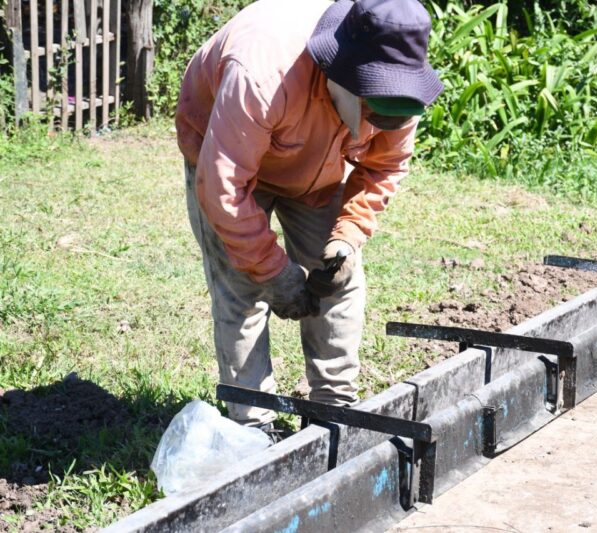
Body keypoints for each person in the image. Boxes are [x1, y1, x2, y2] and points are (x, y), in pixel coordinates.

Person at [175, 0, 443, 432]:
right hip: (227, 149)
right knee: (244, 287)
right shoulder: (261, 74)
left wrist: (347, 234)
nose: (382, 121)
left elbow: (384, 167)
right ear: (341, 74)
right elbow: (224, 189)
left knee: (340, 275)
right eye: (373, 110)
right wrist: (274, 272)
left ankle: (333, 407)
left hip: (315, 160)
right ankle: (253, 423)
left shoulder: (398, 87)